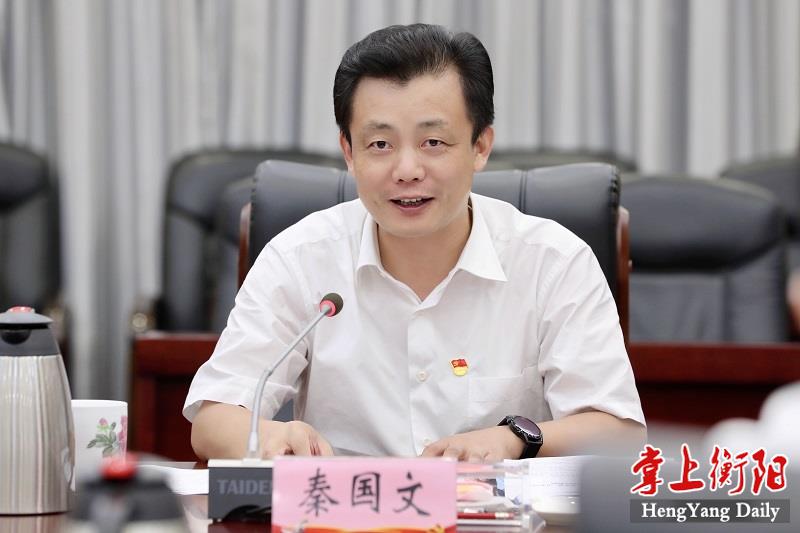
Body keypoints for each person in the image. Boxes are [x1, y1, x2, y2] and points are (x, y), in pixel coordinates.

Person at [185, 23, 646, 461]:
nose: (406, 170)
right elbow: (213, 420)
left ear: (480, 146)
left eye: (433, 142)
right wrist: (271, 436)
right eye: (380, 145)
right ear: (349, 152)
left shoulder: (554, 262)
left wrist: (511, 439)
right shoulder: (299, 258)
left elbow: (618, 431)